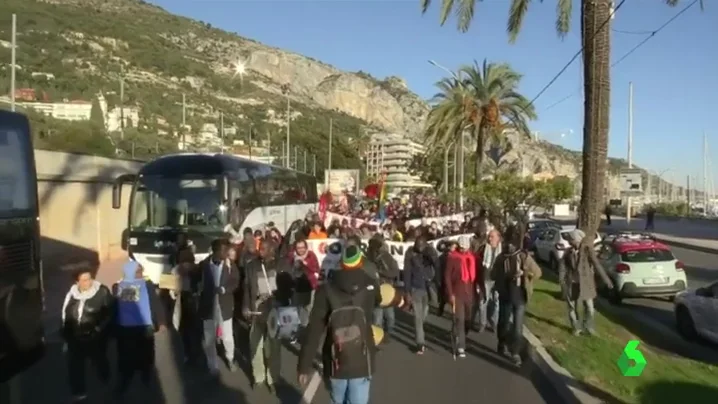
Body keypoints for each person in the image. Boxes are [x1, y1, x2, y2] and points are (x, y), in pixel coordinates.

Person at [297, 245, 381, 404]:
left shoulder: (326, 288)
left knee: (337, 399)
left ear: (342, 263)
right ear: (360, 262)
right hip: (362, 357)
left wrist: (304, 365)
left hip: (336, 357)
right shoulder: (370, 285)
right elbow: (379, 301)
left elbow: (314, 330)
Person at [490, 224, 542, 366]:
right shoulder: (501, 258)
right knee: (503, 323)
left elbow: (538, 273)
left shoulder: (524, 257)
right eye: (507, 244)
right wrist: (501, 275)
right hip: (505, 295)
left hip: (519, 296)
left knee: (518, 327)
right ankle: (502, 343)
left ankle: (515, 352)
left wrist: (524, 273)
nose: (509, 247)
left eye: (511, 244)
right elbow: (492, 275)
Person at [112, 260, 166, 398]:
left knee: (147, 354)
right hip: (126, 328)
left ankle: (146, 376)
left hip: (145, 326)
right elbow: (128, 305)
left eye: (141, 271)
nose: (141, 274)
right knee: (126, 356)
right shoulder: (119, 287)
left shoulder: (146, 285)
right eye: (137, 272)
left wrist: (161, 321)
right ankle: (124, 382)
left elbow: (155, 303)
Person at [61, 268, 114, 402]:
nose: (88, 282)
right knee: (75, 365)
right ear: (77, 282)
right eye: (84, 280)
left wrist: (98, 329)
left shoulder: (102, 292)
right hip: (75, 337)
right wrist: (66, 336)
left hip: (94, 337)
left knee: (99, 360)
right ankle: (79, 391)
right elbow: (66, 316)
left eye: (89, 278)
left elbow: (109, 313)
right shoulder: (71, 294)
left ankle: (105, 378)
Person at [242, 240, 282, 391]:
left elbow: (286, 286)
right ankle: (258, 377)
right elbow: (246, 287)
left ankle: (272, 378)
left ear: (272, 250)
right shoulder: (252, 265)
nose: (261, 251)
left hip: (274, 311)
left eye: (265, 249)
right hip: (256, 311)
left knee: (273, 347)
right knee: (255, 346)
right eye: (260, 248)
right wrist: (245, 305)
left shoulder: (280, 264)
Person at [558, 229, 614, 336]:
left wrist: (606, 280)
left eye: (571, 239)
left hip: (586, 283)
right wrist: (562, 282)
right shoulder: (567, 252)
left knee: (589, 308)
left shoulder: (588, 251)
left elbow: (597, 265)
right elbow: (562, 268)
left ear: (577, 240)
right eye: (569, 240)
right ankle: (576, 328)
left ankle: (588, 327)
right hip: (572, 283)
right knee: (572, 307)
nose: (569, 242)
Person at [198, 238, 240, 375]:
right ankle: (213, 366)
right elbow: (196, 282)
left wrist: (224, 289)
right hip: (208, 306)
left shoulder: (230, 265)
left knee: (227, 336)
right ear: (216, 251)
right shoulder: (203, 266)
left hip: (225, 305)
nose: (226, 252)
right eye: (223, 250)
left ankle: (230, 358)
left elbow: (235, 281)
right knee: (209, 337)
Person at [403, 235, 438, 355]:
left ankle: (420, 333)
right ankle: (420, 343)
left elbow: (436, 265)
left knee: (424, 314)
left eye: (422, 246)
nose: (420, 249)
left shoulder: (429, 252)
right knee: (418, 317)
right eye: (418, 246)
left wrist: (430, 254)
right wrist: (407, 291)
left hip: (427, 288)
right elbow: (407, 273)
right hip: (415, 287)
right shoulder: (410, 254)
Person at [444, 236, 476, 358]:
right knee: (460, 319)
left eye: (465, 248)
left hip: (469, 293)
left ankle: (458, 333)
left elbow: (475, 276)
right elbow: (447, 276)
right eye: (461, 248)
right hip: (457, 293)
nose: (463, 250)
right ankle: (460, 346)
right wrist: (450, 293)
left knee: (468, 319)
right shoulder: (452, 257)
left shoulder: (471, 258)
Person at [366, 234, 400, 345]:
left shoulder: (387, 257)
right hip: (376, 292)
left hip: (387, 292)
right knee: (377, 319)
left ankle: (387, 333)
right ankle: (377, 340)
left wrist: (381, 273)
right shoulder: (368, 259)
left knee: (390, 319)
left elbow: (395, 272)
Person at [476, 229, 502, 332]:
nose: (490, 238)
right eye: (489, 236)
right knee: (483, 301)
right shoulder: (483, 249)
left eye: (492, 236)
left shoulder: (502, 249)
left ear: (498, 238)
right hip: (486, 278)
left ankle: (494, 322)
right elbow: (478, 264)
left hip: (498, 279)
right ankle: (482, 323)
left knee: (497, 302)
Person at [291, 239, 320, 328]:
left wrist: (304, 263)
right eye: (298, 248)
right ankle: (298, 330)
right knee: (297, 309)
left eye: (302, 247)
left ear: (306, 247)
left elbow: (316, 268)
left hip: (310, 286)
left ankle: (307, 328)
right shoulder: (292, 256)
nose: (300, 250)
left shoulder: (311, 255)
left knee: (308, 309)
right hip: (297, 288)